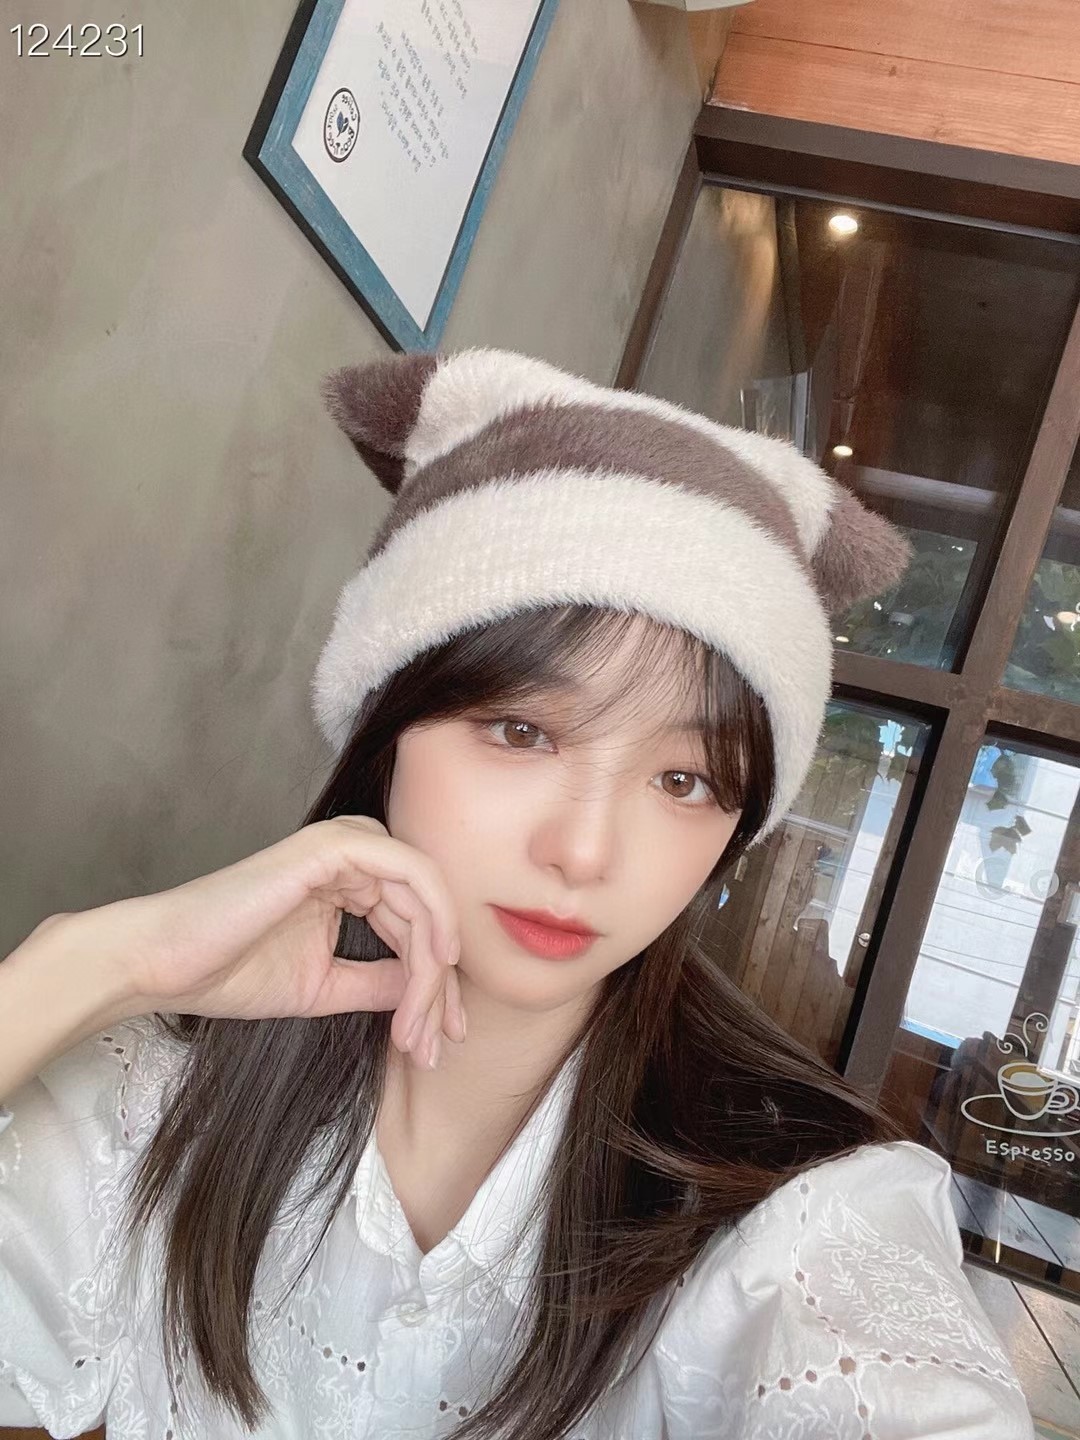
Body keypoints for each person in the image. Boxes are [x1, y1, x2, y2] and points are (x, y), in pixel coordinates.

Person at [0, 347, 1034, 1439]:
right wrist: (92, 964)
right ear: (387, 730)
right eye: (521, 731)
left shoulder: (802, 1224)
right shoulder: (150, 1099)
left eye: (684, 781)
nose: (585, 852)